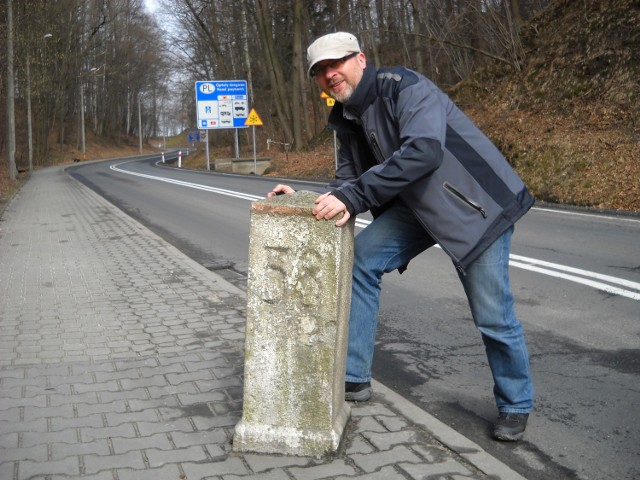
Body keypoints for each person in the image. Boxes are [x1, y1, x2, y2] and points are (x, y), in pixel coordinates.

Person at [268, 31, 534, 441]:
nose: (329, 75)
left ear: (361, 59)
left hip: (475, 208)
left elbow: (424, 151)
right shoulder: (343, 120)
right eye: (320, 71)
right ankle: (354, 378)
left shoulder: (405, 87)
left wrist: (352, 196)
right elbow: (347, 184)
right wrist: (303, 201)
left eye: (335, 64)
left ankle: (515, 404)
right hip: (416, 208)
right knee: (362, 258)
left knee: (493, 316)